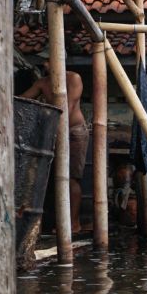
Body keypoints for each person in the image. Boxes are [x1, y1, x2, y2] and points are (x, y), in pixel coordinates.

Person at [21, 69, 89, 234]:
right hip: (54, 132)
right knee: (52, 179)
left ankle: (73, 224)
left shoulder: (73, 77)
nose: (46, 64)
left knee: (72, 178)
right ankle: (49, 223)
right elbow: (23, 100)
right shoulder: (42, 82)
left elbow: (69, 108)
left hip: (74, 132)